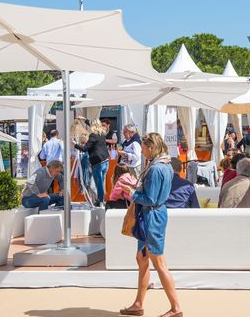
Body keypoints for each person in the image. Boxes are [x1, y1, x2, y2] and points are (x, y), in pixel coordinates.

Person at [120, 133, 181, 317]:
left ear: (151, 148)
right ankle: (138, 303)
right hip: (153, 215)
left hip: (151, 216)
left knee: (158, 262)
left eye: (144, 147)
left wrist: (132, 193)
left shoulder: (155, 169)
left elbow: (151, 199)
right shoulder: (166, 166)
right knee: (142, 258)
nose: (142, 151)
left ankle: (176, 308)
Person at [73, 119, 110, 205]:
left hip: (98, 162)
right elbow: (92, 124)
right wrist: (84, 119)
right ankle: (100, 200)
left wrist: (74, 144)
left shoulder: (93, 135)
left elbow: (85, 148)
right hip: (106, 161)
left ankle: (100, 201)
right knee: (101, 183)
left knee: (99, 184)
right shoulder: (102, 134)